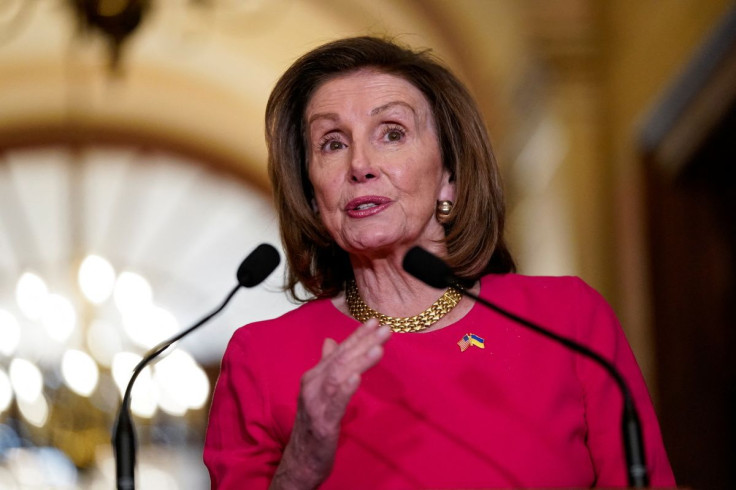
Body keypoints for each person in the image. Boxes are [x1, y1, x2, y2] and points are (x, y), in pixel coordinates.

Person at [204, 36, 675, 489]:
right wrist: (301, 466)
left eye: (392, 133)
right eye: (332, 143)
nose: (360, 164)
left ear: (449, 175)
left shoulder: (566, 318)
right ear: (310, 191)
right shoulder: (260, 360)